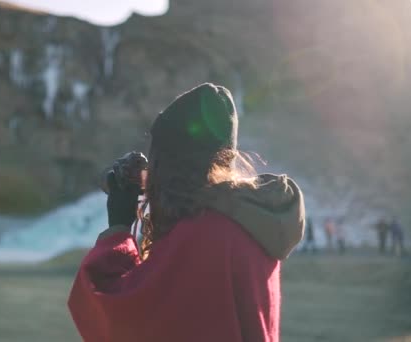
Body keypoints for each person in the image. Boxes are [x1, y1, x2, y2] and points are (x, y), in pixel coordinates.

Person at [68, 83, 305, 342]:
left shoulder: (205, 233)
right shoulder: (251, 220)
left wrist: (118, 228)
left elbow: (115, 314)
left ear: (172, 161)